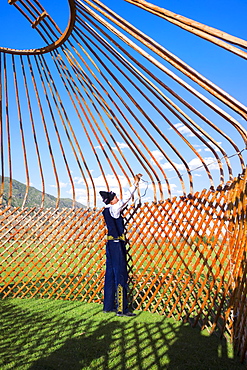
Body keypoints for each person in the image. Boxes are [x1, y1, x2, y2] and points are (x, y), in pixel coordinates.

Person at [99, 174, 142, 317]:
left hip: (110, 244)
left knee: (110, 275)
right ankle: (122, 309)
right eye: (116, 197)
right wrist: (135, 185)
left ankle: (108, 306)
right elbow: (128, 198)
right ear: (112, 201)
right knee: (120, 275)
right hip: (117, 244)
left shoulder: (106, 211)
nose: (118, 198)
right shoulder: (115, 208)